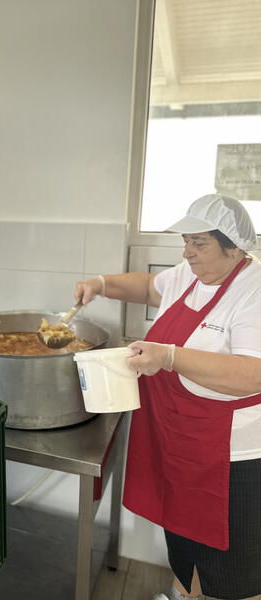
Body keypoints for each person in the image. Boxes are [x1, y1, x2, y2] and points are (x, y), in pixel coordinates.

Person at [75, 194, 261, 600]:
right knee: (183, 543)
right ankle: (181, 593)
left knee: (234, 572)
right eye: (186, 241)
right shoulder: (189, 275)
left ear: (233, 247)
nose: (187, 252)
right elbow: (147, 287)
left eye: (199, 243)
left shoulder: (253, 290)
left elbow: (253, 374)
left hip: (231, 458)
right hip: (180, 439)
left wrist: (170, 357)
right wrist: (101, 285)